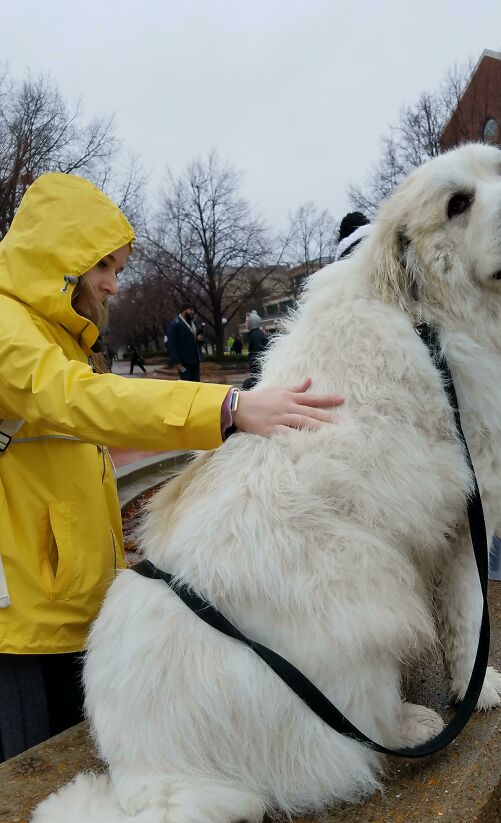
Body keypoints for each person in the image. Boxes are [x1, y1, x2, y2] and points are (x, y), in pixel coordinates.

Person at [0, 172, 344, 763]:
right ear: (61, 257)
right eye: (102, 265)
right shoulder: (10, 328)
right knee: (35, 777)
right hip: (26, 620)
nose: (111, 284)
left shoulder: (53, 334)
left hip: (64, 593)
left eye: (118, 269)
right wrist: (230, 407)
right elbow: (78, 399)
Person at [166, 303, 202, 381]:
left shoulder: (193, 324)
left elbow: (194, 340)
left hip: (195, 361)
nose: (192, 312)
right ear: (183, 311)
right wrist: (177, 362)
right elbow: (172, 345)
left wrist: (198, 339)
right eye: (190, 310)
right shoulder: (175, 324)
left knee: (196, 384)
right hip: (184, 362)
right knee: (187, 385)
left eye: (193, 310)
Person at [243, 310, 269, 390]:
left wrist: (255, 374)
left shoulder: (255, 336)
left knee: (247, 386)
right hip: (258, 371)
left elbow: (256, 355)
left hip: (258, 371)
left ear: (252, 322)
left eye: (247, 321)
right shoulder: (255, 335)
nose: (245, 323)